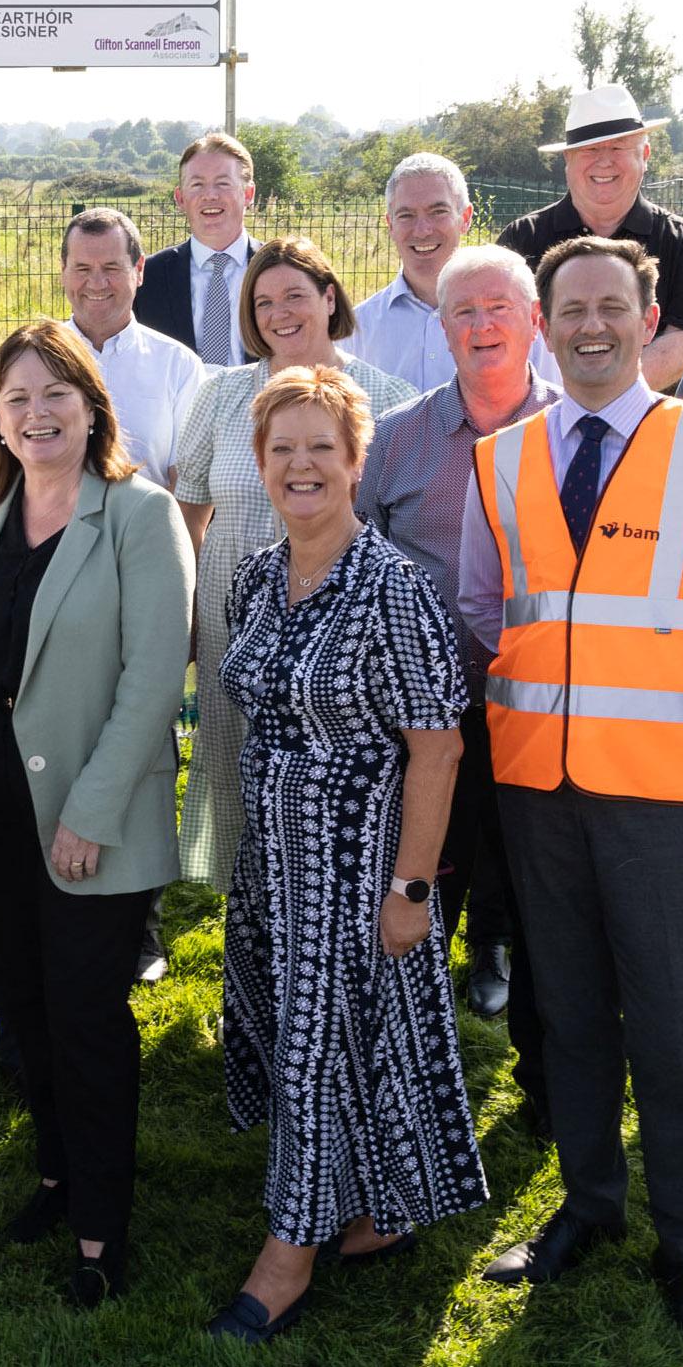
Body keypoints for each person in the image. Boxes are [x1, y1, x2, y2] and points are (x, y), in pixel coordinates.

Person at [459, 238, 683, 1357]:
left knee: (666, 1023)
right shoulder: (504, 459)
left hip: (661, 795)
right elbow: (481, 605)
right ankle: (589, 1206)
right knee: (565, 1010)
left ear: (651, 315)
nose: (592, 325)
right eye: (573, 308)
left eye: (615, 305)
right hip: (536, 791)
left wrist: (677, 692)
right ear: (543, 323)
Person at [203, 365, 486, 1342]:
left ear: (358, 461)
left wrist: (411, 888)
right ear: (262, 466)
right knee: (319, 1039)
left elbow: (438, 747)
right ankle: (378, 1207)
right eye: (282, 449)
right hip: (274, 864)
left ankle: (288, 1254)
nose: (301, 465)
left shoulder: (393, 588)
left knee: (324, 1042)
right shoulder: (255, 577)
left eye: (322, 446)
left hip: (361, 862)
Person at [0, 321, 193, 1306]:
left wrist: (92, 809)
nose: (36, 414)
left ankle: (101, 1230)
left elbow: (155, 675)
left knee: (84, 1018)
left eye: (54, 394)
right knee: (22, 1005)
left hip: (94, 814)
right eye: (15, 398)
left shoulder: (138, 513)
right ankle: (53, 1175)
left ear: (90, 406)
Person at [170, 238, 421, 887]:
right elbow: (188, 517)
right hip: (235, 626)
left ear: (329, 298)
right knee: (236, 769)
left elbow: (394, 527)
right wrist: (189, 625)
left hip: (339, 640)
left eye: (294, 296)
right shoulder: (221, 395)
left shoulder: (384, 397)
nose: (278, 314)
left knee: (325, 785)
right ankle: (250, 909)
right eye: (262, 302)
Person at [356, 246, 553, 1046]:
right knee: (433, 863)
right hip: (428, 715)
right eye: (462, 312)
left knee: (539, 875)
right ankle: (410, 1028)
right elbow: (355, 561)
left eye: (498, 307)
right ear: (439, 330)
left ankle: (511, 983)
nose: (480, 326)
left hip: (550, 704)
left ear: (534, 321)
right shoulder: (397, 440)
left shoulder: (576, 432)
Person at [497, 86, 683, 391]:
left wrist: (596, 400)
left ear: (646, 154)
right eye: (590, 149)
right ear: (567, 159)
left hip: (651, 429)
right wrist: (560, 410)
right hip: (540, 425)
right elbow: (502, 336)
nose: (604, 162)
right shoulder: (520, 241)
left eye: (618, 147)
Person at [58, 205, 208, 488]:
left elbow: (189, 483)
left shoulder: (178, 366)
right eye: (82, 269)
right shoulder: (36, 359)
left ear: (139, 270)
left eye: (111, 268)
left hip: (146, 530)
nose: (97, 283)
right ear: (63, 270)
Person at [350, 154, 477, 394]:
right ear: (390, 225)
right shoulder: (358, 331)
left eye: (438, 211)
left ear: (466, 218)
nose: (422, 230)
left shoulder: (511, 321)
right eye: (406, 215)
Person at [135, 131, 259, 365]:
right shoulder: (148, 279)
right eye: (197, 185)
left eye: (223, 184)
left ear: (248, 194)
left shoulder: (281, 271)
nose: (210, 195)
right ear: (180, 198)